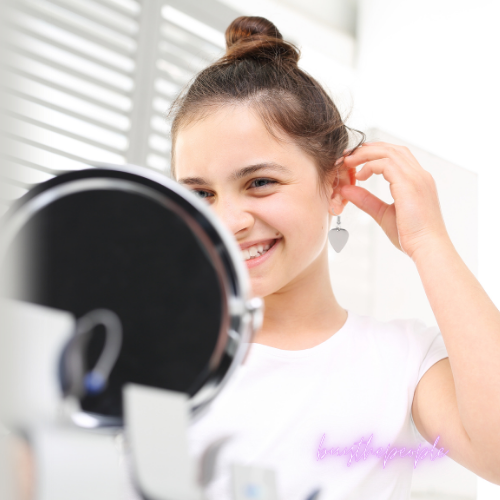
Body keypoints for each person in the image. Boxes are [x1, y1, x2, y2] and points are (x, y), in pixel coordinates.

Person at [168, 15, 500, 500]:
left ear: (337, 186)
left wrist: (428, 241)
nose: (228, 221)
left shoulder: (402, 360)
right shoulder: (157, 349)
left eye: (259, 182)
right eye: (200, 194)